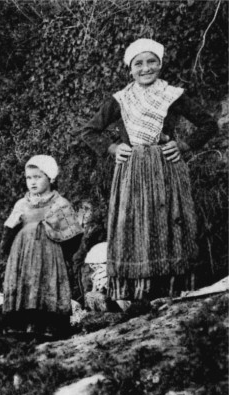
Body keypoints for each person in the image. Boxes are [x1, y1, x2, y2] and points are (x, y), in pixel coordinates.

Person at [80, 38, 218, 302]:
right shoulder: (120, 100)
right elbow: (89, 131)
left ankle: (173, 289)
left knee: (170, 222)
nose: (146, 68)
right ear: (130, 69)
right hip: (131, 171)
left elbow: (209, 124)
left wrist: (184, 145)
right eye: (139, 63)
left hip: (166, 168)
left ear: (160, 64)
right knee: (133, 223)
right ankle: (136, 295)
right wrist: (113, 148)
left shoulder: (172, 95)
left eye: (152, 61)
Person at [1, 155, 83, 337]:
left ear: (51, 178)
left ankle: (49, 327)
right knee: (25, 284)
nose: (32, 182)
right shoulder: (22, 204)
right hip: (22, 253)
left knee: (46, 284)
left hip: (49, 254)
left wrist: (61, 254)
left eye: (38, 177)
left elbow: (73, 234)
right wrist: (9, 248)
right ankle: (21, 325)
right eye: (29, 178)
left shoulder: (59, 203)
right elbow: (9, 229)